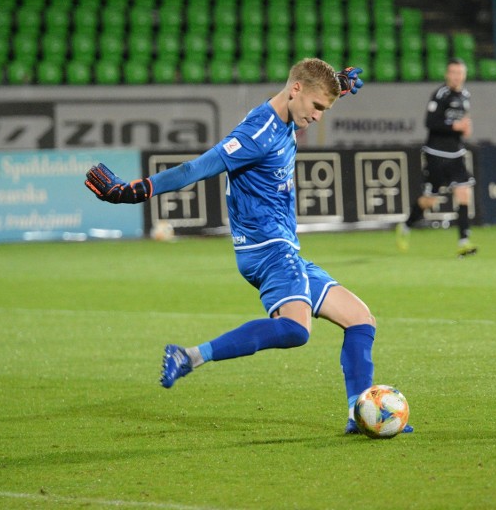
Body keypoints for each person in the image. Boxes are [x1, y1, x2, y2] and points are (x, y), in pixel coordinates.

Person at [85, 58, 411, 435]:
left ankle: (359, 414)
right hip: (267, 248)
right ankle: (190, 356)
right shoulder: (258, 133)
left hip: (283, 247)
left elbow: (312, 84)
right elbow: (196, 168)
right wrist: (135, 190)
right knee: (295, 330)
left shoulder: (292, 106)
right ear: (296, 91)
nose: (319, 117)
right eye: (318, 107)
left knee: (360, 319)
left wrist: (336, 83)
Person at [397, 57, 476, 257]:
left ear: (464, 75)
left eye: (460, 73)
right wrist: (453, 127)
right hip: (436, 154)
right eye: (453, 73)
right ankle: (406, 225)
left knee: (464, 193)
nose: (457, 77)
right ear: (447, 75)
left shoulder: (465, 96)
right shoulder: (440, 94)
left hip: (456, 153)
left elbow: (462, 122)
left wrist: (464, 129)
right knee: (429, 200)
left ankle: (463, 242)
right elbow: (430, 122)